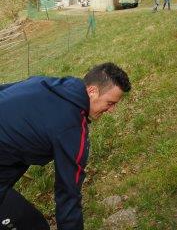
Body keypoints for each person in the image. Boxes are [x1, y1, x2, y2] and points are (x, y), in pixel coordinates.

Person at [0, 62, 131, 230]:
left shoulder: (45, 84)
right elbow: (68, 195)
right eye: (110, 103)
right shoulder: (72, 130)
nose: (112, 110)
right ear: (92, 91)